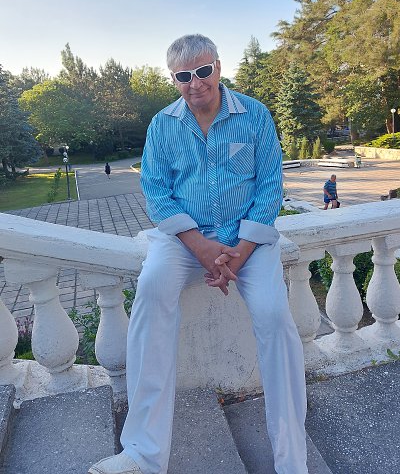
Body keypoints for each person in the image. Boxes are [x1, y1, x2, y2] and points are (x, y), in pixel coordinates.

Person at [89, 34, 308, 474]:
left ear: (219, 68)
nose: (195, 83)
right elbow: (157, 193)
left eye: (203, 71)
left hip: (248, 241)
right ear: (173, 79)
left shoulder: (255, 115)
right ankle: (142, 453)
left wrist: (239, 252)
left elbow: (270, 187)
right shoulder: (162, 125)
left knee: (274, 317)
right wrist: (201, 247)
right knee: (152, 290)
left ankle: (291, 460)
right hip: (185, 240)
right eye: (183, 75)